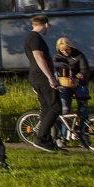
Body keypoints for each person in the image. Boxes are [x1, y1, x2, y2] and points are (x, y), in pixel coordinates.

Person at [24, 15, 62, 152]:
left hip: (37, 76)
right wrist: (50, 78)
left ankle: (47, 141)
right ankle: (41, 139)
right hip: (41, 77)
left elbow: (40, 60)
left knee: (46, 108)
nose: (48, 28)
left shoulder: (30, 37)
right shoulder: (35, 38)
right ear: (46, 24)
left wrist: (55, 64)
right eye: (49, 26)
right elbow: (39, 58)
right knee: (55, 108)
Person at [54, 37, 92, 151]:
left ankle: (85, 136)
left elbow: (85, 70)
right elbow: (54, 70)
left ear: (70, 47)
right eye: (62, 50)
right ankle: (63, 137)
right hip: (65, 84)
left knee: (83, 110)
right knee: (65, 110)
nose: (65, 52)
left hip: (79, 84)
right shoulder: (57, 56)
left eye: (67, 50)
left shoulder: (79, 55)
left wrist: (81, 75)